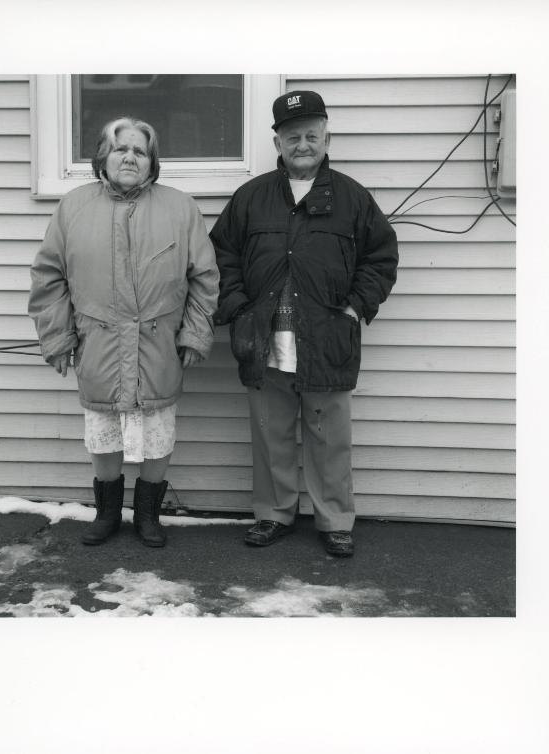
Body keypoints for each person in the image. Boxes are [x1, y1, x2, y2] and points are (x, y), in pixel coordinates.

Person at [210, 91, 398, 557]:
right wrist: (236, 306)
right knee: (269, 435)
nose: (303, 143)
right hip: (264, 338)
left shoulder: (352, 197)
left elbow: (381, 257)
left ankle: (335, 520)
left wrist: (356, 306)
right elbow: (220, 257)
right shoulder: (251, 197)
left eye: (312, 134)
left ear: (326, 135)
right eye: (292, 136)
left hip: (327, 338)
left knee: (329, 438)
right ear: (277, 141)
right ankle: (273, 514)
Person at [29, 117, 219, 547]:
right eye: (121, 149)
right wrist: (57, 338)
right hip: (99, 343)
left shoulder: (180, 207)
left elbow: (204, 278)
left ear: (152, 162)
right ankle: (108, 513)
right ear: (103, 157)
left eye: (140, 150)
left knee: (157, 429)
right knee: (103, 426)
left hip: (159, 343)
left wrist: (194, 334)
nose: (130, 156)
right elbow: (48, 277)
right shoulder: (73, 207)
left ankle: (148, 515)